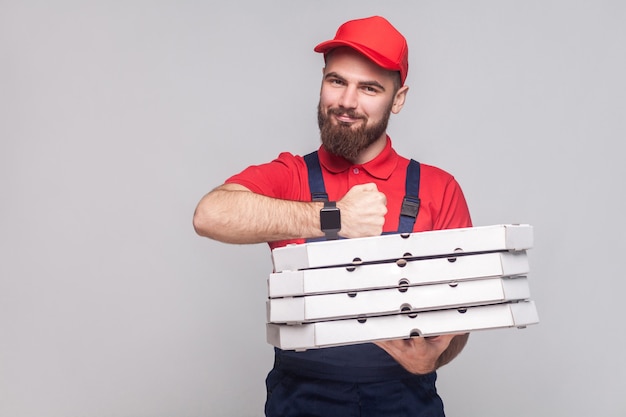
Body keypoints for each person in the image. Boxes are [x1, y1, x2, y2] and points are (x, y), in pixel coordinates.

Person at [194, 16, 472, 417]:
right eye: (337, 81)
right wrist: (333, 217)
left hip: (406, 400)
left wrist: (432, 359)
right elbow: (210, 215)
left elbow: (462, 315)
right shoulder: (290, 175)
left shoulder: (438, 188)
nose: (346, 101)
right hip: (302, 398)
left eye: (369, 88)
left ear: (398, 99)